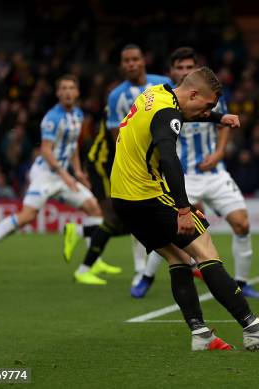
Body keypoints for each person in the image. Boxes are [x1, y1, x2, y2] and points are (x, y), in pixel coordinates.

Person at [111, 66, 259, 350]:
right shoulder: (168, 113)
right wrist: (183, 210)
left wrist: (217, 117)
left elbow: (181, 115)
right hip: (146, 194)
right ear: (194, 93)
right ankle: (253, 329)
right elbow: (169, 158)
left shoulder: (155, 94)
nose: (207, 110)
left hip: (123, 198)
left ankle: (200, 334)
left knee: (178, 259)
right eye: (208, 105)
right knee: (206, 251)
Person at [131, 47, 259, 299]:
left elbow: (221, 120)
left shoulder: (207, 96)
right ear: (171, 71)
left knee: (242, 223)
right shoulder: (167, 100)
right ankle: (146, 277)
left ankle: (243, 282)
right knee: (172, 229)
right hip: (182, 175)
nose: (184, 71)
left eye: (188, 67)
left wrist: (219, 152)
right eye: (179, 67)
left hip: (214, 173)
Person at [0, 75, 115, 281]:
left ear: (77, 92)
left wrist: (78, 172)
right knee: (27, 216)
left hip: (63, 175)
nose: (67, 92)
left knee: (95, 209)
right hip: (45, 174)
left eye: (71, 88)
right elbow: (45, 151)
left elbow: (72, 147)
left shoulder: (78, 115)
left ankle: (92, 261)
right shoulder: (52, 118)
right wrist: (66, 175)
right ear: (57, 93)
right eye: (63, 88)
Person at [62, 44, 173, 285]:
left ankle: (82, 235)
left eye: (135, 59)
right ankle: (94, 269)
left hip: (149, 162)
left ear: (144, 60)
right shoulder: (115, 96)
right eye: (126, 60)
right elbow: (117, 138)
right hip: (105, 161)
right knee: (117, 216)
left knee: (130, 217)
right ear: (122, 65)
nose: (131, 64)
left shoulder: (163, 83)